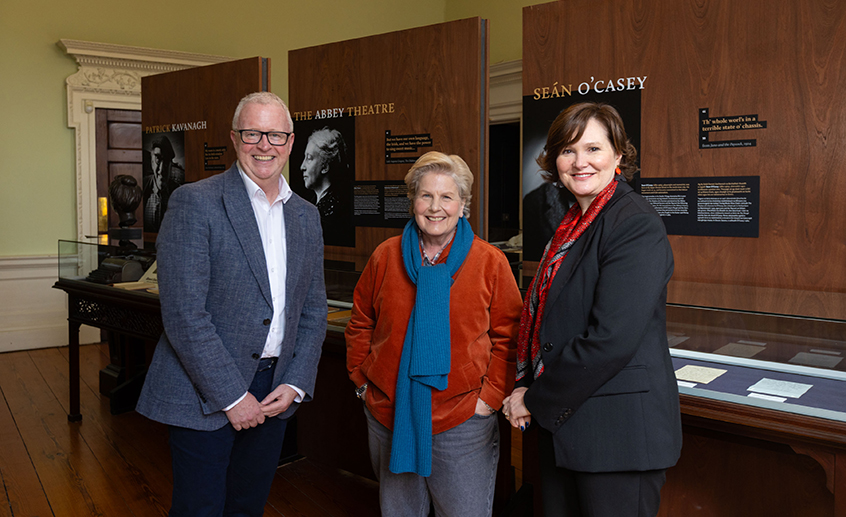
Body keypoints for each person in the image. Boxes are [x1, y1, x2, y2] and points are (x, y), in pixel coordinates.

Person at [136, 92, 328, 516]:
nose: (265, 145)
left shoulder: (306, 215)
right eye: (253, 133)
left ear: (291, 142)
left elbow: (312, 311)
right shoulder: (195, 202)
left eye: (276, 134)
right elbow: (185, 315)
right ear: (234, 138)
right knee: (199, 508)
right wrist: (231, 396)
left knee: (247, 505)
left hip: (274, 388)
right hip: (204, 389)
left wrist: (295, 384)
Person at [502, 102, 682, 517]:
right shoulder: (573, 223)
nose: (579, 162)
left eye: (593, 149)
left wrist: (534, 397)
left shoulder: (634, 223)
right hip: (571, 429)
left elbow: (611, 339)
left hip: (616, 437)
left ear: (618, 156)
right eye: (567, 150)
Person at [345, 151, 522, 517]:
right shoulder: (385, 256)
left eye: (447, 197)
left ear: (463, 205)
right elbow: (361, 321)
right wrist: (363, 383)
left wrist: (487, 400)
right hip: (389, 414)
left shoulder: (490, 261)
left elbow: (511, 337)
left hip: (461, 420)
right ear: (412, 201)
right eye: (426, 195)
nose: (435, 207)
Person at [300, 126, 353, 246]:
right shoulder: (313, 204)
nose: (302, 167)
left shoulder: (335, 213)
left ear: (325, 166)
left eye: (309, 159)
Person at [143, 134, 184, 233]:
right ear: (151, 161)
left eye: (166, 162)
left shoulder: (179, 194)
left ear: (171, 165)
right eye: (158, 159)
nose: (161, 170)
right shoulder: (142, 187)